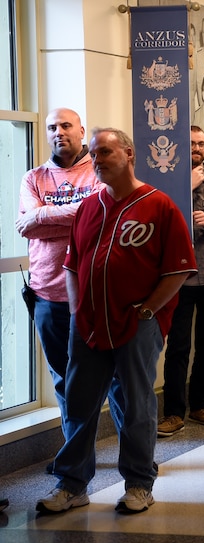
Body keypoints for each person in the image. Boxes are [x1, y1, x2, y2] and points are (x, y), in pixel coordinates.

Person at [36, 127, 197, 515]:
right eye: (94, 153)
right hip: (88, 325)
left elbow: (179, 269)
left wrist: (148, 311)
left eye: (105, 151)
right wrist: (77, 312)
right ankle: (72, 484)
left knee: (137, 404)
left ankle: (140, 484)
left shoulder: (160, 206)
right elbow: (72, 265)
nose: (98, 160)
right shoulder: (90, 207)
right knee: (79, 404)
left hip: (137, 324)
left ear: (128, 153)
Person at [15, 108, 105, 449]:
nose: (59, 132)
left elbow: (97, 215)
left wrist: (42, 216)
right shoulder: (33, 178)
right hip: (46, 293)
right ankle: (77, 457)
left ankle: (131, 458)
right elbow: (26, 225)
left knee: (111, 378)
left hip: (95, 294)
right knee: (64, 380)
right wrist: (72, 217)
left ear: (81, 131)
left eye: (66, 125)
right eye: (52, 127)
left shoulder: (98, 172)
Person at [158, 127, 204, 437]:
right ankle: (174, 413)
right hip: (180, 281)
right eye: (191, 144)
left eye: (202, 144)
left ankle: (200, 404)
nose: (198, 149)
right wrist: (186, 202)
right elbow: (161, 228)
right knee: (178, 347)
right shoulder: (165, 186)